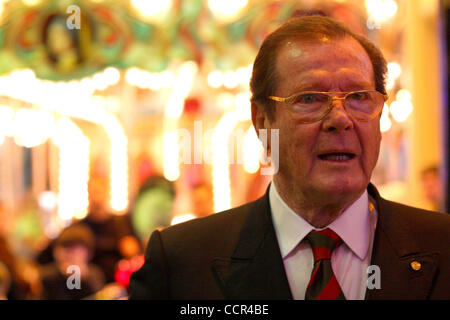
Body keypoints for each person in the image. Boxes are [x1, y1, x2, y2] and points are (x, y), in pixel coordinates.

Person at [129, 16, 450, 300]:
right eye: (310, 98)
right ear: (262, 121)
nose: (340, 118)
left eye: (358, 97)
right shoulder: (182, 263)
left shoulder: (443, 246)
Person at [40, 224, 105, 300]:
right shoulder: (47, 275)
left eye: (76, 251)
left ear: (88, 254)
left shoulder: (94, 274)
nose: (71, 256)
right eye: (67, 250)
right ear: (56, 252)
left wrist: (83, 279)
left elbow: (97, 296)